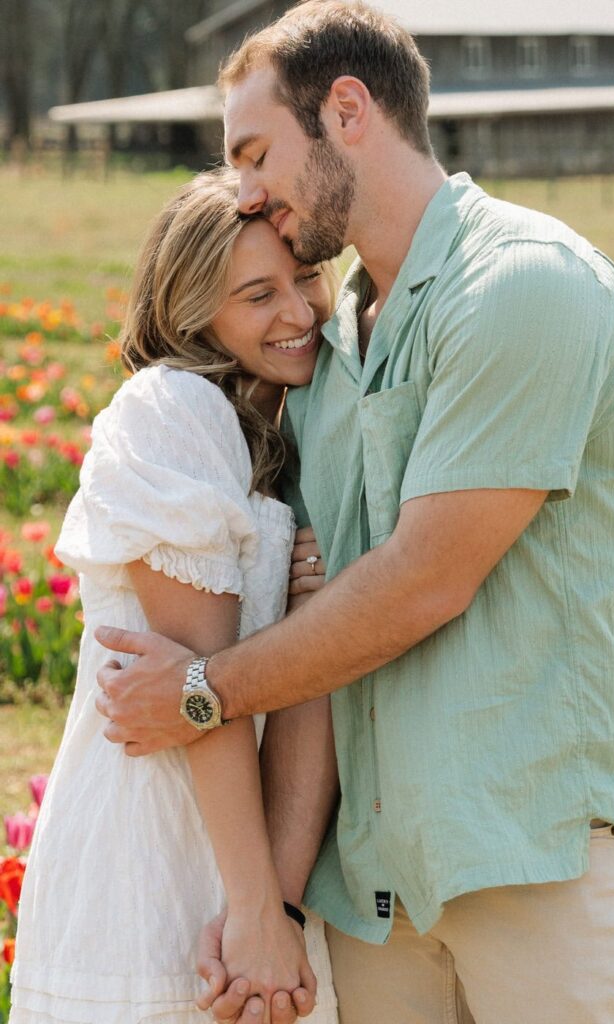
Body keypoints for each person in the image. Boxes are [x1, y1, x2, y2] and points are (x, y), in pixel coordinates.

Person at [93, 3, 614, 1023]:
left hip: (537, 870)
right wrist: (268, 898)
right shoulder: (331, 347)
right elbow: (323, 634)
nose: (243, 188)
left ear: (348, 111)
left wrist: (200, 690)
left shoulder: (521, 287)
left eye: (255, 150)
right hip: (373, 902)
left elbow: (421, 581)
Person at [9, 167, 340, 1024]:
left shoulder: (286, 429)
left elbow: (294, 680)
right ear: (192, 312)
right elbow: (199, 691)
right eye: (258, 294)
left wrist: (277, 905)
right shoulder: (173, 410)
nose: (299, 314)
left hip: (251, 854)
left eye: (304, 277)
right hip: (153, 854)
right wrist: (257, 912)